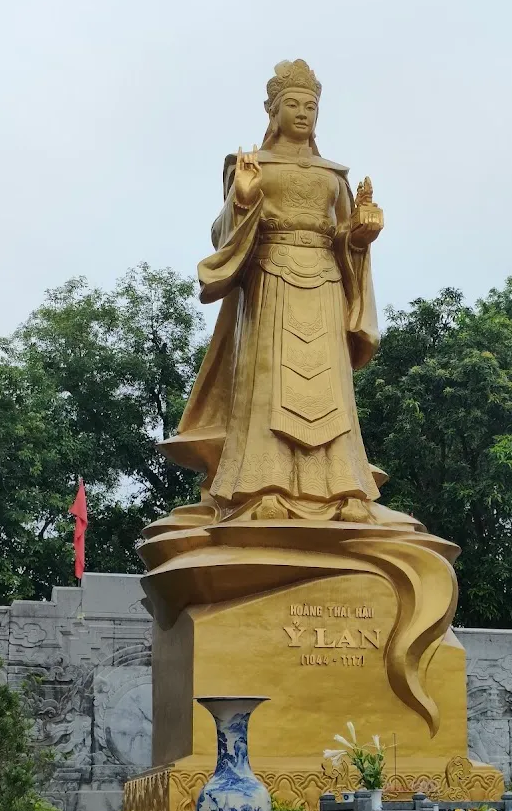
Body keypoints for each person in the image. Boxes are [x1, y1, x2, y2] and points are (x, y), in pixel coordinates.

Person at [163, 59, 413, 528]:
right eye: (293, 105)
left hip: (324, 281)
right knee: (269, 389)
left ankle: (345, 491)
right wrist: (243, 198)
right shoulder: (250, 165)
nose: (303, 113)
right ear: (272, 110)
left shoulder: (333, 176)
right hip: (270, 278)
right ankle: (264, 486)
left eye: (311, 107)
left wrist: (359, 235)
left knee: (329, 389)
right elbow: (223, 233)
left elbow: (343, 234)